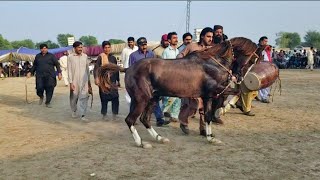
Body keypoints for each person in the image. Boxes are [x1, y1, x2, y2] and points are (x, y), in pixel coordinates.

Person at [177, 27, 213, 136]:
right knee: (192, 104)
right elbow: (180, 55)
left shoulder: (212, 49)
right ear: (202, 36)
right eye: (208, 36)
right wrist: (184, 63)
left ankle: (203, 129)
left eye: (211, 37)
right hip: (191, 81)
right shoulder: (192, 46)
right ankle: (183, 122)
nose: (210, 39)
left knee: (205, 106)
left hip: (206, 82)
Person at [128, 37, 170, 127]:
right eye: (142, 45)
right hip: (139, 82)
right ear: (138, 45)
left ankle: (159, 119)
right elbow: (131, 70)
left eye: (145, 44)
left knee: (154, 100)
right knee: (135, 100)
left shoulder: (151, 53)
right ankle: (133, 118)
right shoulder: (133, 56)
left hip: (152, 82)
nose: (144, 46)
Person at [27, 44, 62, 108]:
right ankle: (41, 96)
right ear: (40, 49)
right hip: (40, 76)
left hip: (50, 75)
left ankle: (48, 102)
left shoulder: (51, 56)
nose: (44, 49)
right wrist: (30, 72)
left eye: (45, 48)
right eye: (42, 48)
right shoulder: (37, 56)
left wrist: (59, 73)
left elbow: (57, 64)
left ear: (47, 49)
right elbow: (34, 65)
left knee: (50, 88)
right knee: (39, 88)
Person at [94, 41, 120, 120]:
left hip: (112, 81)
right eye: (105, 47)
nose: (107, 49)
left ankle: (114, 115)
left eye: (109, 47)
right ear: (103, 48)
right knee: (104, 99)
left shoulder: (113, 58)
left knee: (115, 98)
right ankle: (104, 115)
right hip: (103, 82)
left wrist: (118, 80)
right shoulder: (100, 57)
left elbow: (116, 69)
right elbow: (96, 69)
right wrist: (96, 78)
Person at [68, 41, 92, 121]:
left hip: (84, 81)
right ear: (74, 48)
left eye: (81, 47)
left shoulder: (85, 56)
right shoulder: (70, 57)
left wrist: (89, 82)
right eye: (79, 47)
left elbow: (87, 70)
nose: (80, 49)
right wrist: (71, 82)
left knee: (84, 97)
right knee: (74, 97)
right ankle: (74, 110)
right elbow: (69, 71)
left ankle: (83, 115)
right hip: (74, 81)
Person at [161, 32, 181, 123]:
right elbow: (162, 66)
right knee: (167, 98)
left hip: (178, 78)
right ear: (169, 40)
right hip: (168, 78)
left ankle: (174, 115)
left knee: (177, 98)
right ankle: (163, 114)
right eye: (174, 38)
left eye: (177, 38)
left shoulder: (178, 51)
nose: (176, 39)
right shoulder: (166, 51)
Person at [258, 36, 271, 103]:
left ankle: (265, 95)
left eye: (266, 41)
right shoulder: (258, 48)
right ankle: (263, 97)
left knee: (267, 82)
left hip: (266, 66)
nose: (266, 43)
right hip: (260, 67)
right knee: (261, 83)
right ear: (261, 41)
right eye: (265, 41)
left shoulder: (267, 49)